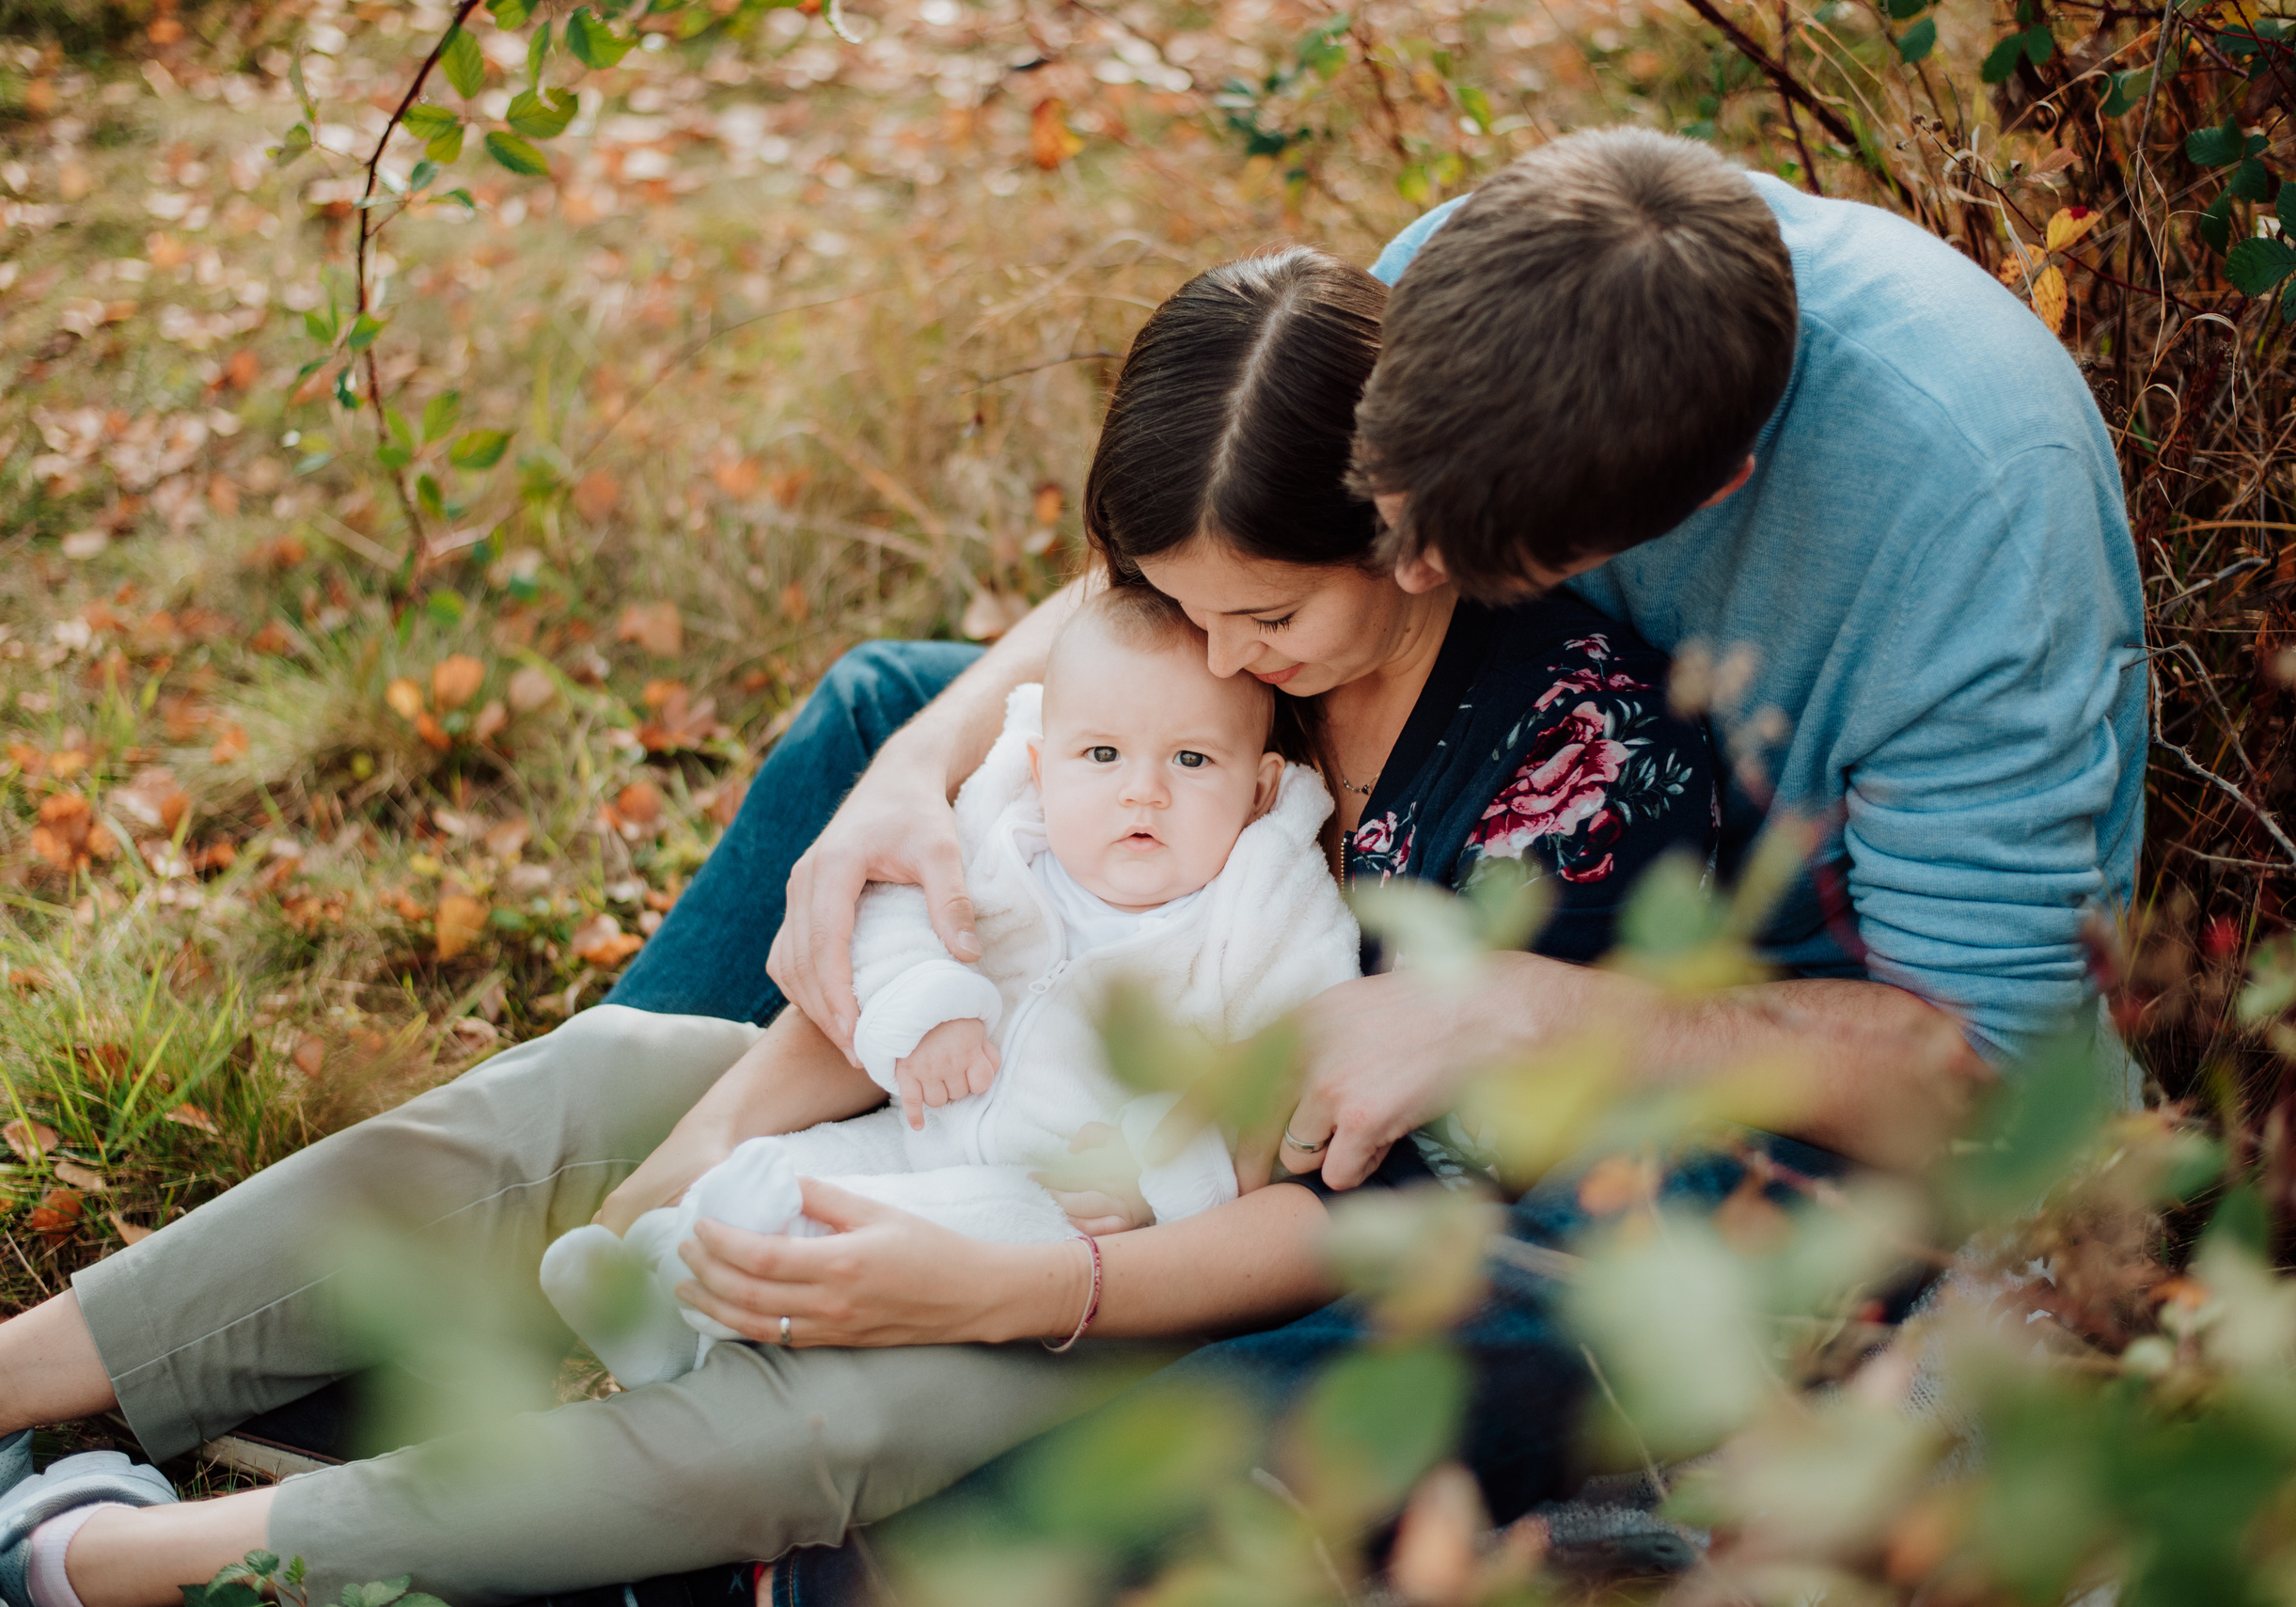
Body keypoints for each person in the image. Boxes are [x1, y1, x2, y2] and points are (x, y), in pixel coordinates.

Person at [0, 245, 1712, 1607]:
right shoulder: (1197, 609)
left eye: (1266, 622)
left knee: (828, 1421)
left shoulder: (1566, 772)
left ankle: (82, 1560)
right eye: (1170, 601)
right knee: (605, 1077)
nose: (1221, 659)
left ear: (1408, 534)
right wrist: (719, 1121)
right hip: (967, 1104)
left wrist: (1024, 1288)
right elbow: (996, 841)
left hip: (1175, 1265)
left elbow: (1415, 1225)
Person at [748, 127, 2149, 1598]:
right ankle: (646, 1184)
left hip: (1755, 1042)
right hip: (1404, 821)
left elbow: (1983, 1084)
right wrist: (917, 772)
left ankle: (895, 1570)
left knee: (1541, 1277)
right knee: (877, 709)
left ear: (1707, 496)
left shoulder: (1973, 532)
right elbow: (1228, 563)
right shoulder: (1500, 276)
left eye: (1455, 553)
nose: (1402, 569)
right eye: (1385, 515)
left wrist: (1522, 1012)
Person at [541, 586, 1363, 1390]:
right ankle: (656, 1280)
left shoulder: (1257, 908)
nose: (1142, 789)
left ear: (1259, 788)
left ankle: (723, 1295)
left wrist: (1160, 1181)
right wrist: (929, 1003)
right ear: (1042, 766)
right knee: (782, 1166)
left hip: (1053, 1198)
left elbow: (1278, 1074)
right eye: (1102, 755)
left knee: (861, 1226)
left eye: (1191, 760)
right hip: (916, 1124)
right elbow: (893, 920)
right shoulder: (1009, 839)